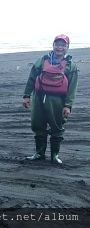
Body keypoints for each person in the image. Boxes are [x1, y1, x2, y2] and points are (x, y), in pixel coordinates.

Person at [22, 34, 79, 164]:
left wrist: (68, 105)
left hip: (58, 100)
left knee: (57, 127)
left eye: (63, 45)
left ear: (67, 47)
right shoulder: (42, 60)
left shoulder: (71, 65)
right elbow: (32, 77)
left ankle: (55, 155)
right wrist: (26, 95)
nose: (60, 47)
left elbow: (72, 87)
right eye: (57, 44)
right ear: (53, 45)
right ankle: (39, 153)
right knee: (37, 125)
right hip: (39, 98)